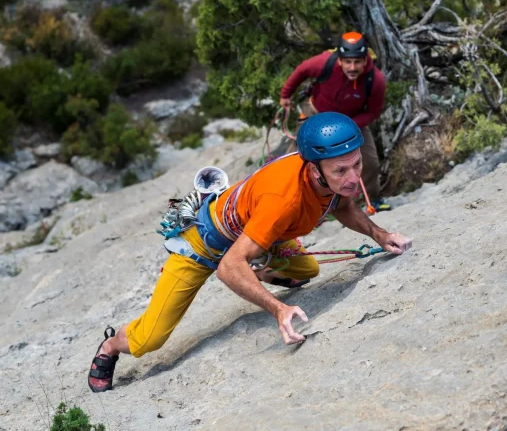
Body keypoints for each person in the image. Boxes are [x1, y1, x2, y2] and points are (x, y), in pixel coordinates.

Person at [87, 112, 412, 393]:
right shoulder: (283, 201)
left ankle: (256, 265)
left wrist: (380, 236)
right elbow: (228, 268)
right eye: (341, 171)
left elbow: (341, 204)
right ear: (314, 169)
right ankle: (110, 346)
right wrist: (277, 309)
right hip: (203, 244)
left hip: (254, 231)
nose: (354, 178)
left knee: (307, 270)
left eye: (357, 165)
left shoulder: (326, 177)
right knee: (150, 340)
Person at [280, 31, 390, 212]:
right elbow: (302, 71)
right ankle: (285, 198)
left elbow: (373, 112)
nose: (352, 67)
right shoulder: (324, 63)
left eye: (357, 62)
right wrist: (286, 95)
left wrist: (349, 125)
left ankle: (373, 199)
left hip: (352, 123)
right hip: (317, 114)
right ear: (339, 60)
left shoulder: (375, 80)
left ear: (365, 60)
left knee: (370, 162)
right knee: (296, 157)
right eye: (348, 61)